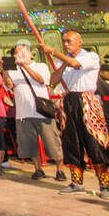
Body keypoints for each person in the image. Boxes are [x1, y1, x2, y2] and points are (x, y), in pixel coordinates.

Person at [44, 31, 109, 197]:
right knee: (71, 142)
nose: (66, 44)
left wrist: (53, 52)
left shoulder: (91, 57)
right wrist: (60, 64)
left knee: (95, 142)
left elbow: (76, 64)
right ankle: (76, 182)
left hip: (88, 101)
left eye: (69, 41)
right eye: (64, 42)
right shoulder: (64, 61)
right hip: (69, 100)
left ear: (80, 42)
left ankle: (104, 185)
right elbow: (53, 81)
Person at [6, 41, 65, 181]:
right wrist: (6, 67)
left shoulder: (40, 66)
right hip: (23, 112)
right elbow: (8, 84)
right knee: (29, 143)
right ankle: (37, 168)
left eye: (22, 51)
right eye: (17, 52)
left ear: (31, 54)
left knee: (52, 141)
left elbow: (41, 80)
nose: (19, 55)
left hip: (41, 111)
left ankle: (59, 169)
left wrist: (24, 65)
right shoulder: (13, 70)